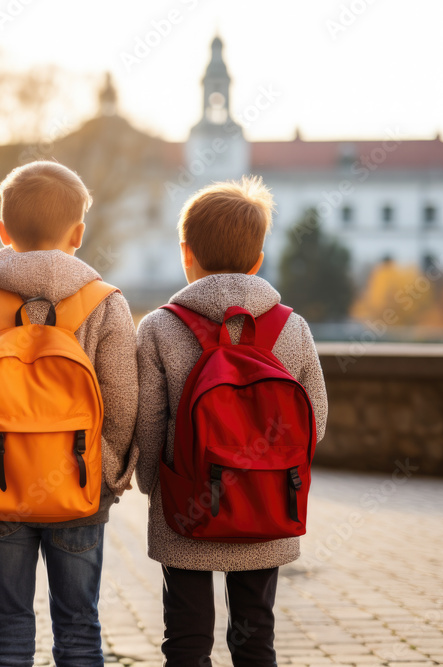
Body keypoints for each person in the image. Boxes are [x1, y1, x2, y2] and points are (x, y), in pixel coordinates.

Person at [0, 160, 140, 666]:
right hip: (79, 483)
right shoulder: (106, 303)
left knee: (8, 632)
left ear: (3, 231)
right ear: (78, 233)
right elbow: (123, 401)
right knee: (79, 628)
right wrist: (107, 471)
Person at [134, 175, 329, 667]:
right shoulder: (292, 327)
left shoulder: (159, 327)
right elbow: (316, 418)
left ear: (186, 253)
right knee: (256, 639)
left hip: (186, 508)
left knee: (186, 640)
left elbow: (149, 423)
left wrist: (153, 485)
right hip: (268, 504)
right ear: (258, 259)